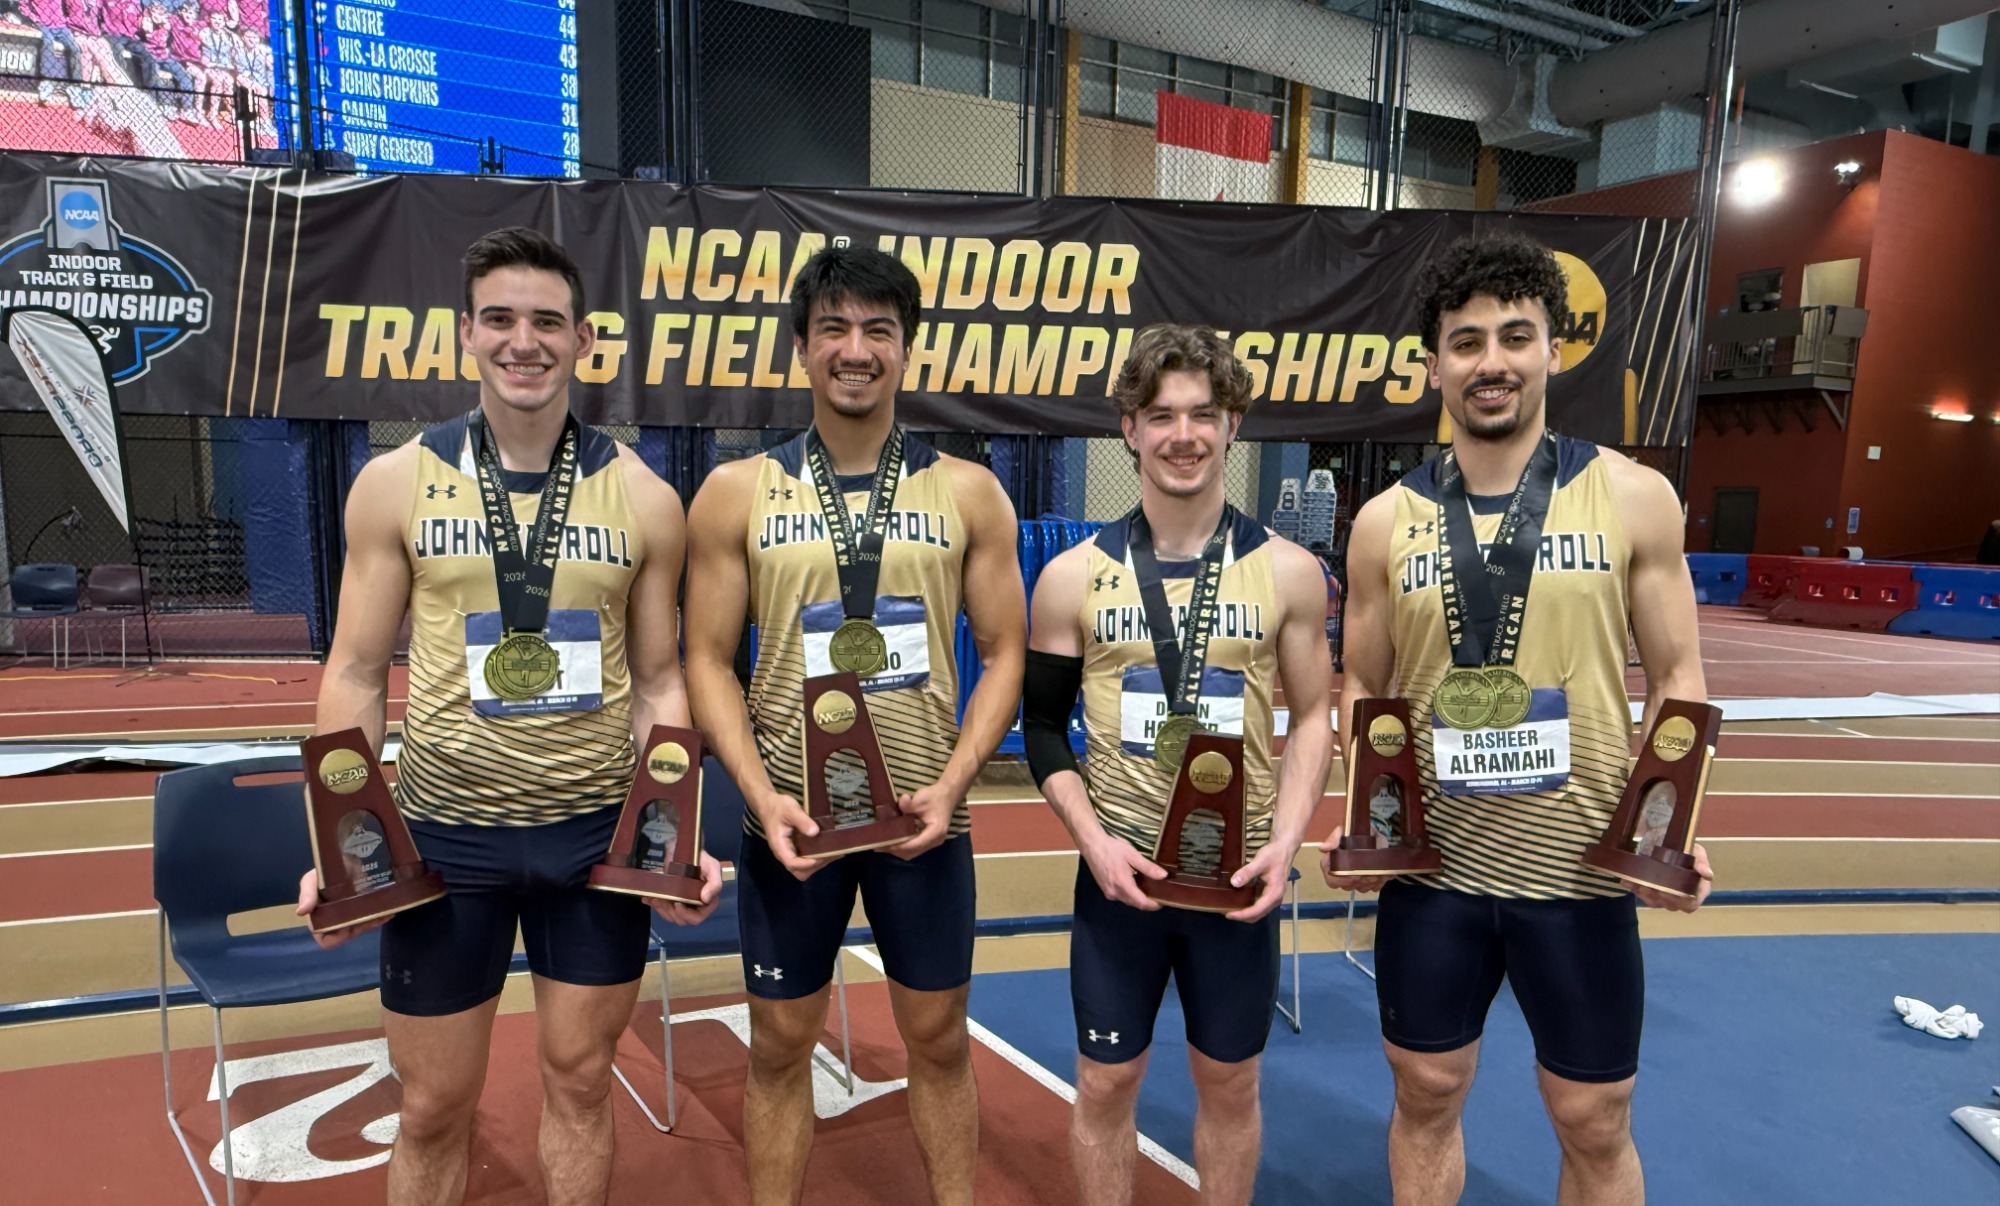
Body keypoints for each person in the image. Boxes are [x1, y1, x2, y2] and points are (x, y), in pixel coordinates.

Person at [294, 227, 722, 1206]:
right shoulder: (396, 483)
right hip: (449, 844)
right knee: (433, 1106)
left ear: (582, 340)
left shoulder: (647, 500)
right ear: (465, 336)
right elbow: (356, 671)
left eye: (544, 322)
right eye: (500, 319)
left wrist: (669, 836)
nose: (521, 341)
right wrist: (343, 840)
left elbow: (660, 683)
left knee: (579, 1082)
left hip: (590, 846)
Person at [1322, 231, 1711, 1205]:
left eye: (1512, 336)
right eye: (1464, 341)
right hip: (1435, 874)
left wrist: (1664, 830)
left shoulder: (1632, 496)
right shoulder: (1383, 522)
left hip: (1577, 873)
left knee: (1591, 1117)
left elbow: (1677, 675)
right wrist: (1368, 817)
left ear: (1548, 348)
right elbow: (1359, 691)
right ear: (1432, 362)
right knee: (1424, 1089)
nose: (1488, 361)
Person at [682, 245, 1026, 1206]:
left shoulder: (967, 492)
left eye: (879, 329)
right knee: (781, 1043)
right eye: (834, 327)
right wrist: (759, 795)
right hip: (788, 827)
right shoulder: (737, 493)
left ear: (907, 350)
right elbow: (705, 658)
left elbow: (1005, 652)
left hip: (927, 823)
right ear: (801, 348)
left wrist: (955, 784)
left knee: (940, 1036)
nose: (856, 349)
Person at [1022, 323, 1334, 1206]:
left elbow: (1315, 717)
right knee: (1104, 1085)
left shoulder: (1292, 573)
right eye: (1160, 416)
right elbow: (1043, 727)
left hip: (1238, 882)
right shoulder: (1071, 578)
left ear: (1234, 423)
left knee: (1230, 1086)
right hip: (1121, 881)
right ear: (1128, 429)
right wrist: (1092, 842)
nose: (1183, 435)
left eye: (1203, 414)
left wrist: (1285, 841)